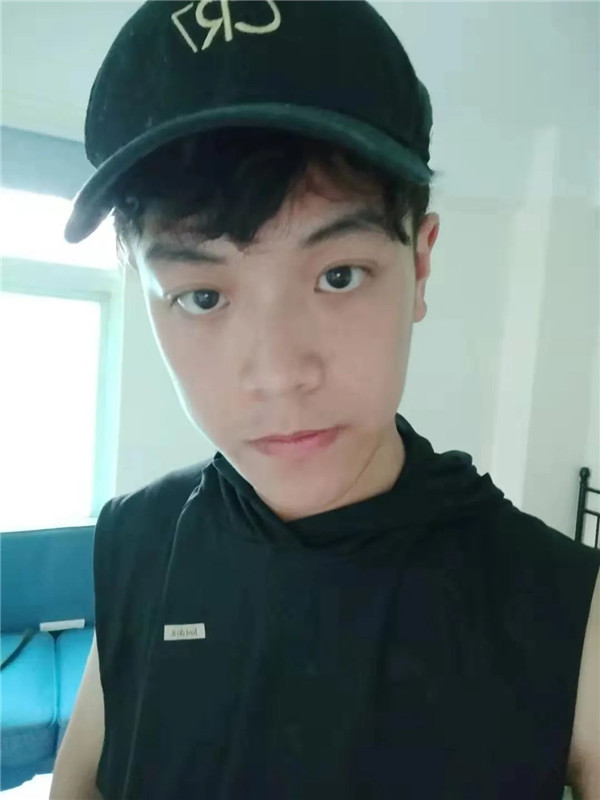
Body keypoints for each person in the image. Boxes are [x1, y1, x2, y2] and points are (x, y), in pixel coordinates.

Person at [50, 2, 600, 798]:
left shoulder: (565, 612)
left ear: (419, 266)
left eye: (339, 276)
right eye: (202, 296)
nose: (279, 374)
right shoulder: (136, 543)